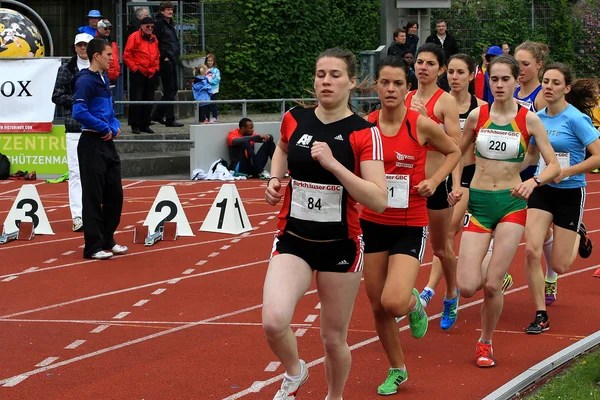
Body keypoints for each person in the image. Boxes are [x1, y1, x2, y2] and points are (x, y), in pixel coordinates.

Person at [262, 48, 387, 400]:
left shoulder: (365, 133)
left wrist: (335, 165)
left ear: (351, 82)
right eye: (320, 74)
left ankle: (335, 396)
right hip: (293, 240)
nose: (326, 82)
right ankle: (295, 371)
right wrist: (274, 179)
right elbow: (283, 150)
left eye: (334, 75)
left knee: (333, 339)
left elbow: (378, 198)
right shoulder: (294, 118)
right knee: (273, 321)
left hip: (341, 247)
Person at [362, 56, 460, 396]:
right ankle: (397, 369)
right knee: (377, 306)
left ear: (407, 88)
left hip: (408, 223)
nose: (390, 89)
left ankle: (414, 303)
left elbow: (453, 151)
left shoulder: (419, 124)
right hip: (372, 222)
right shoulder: (366, 125)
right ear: (377, 86)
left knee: (393, 301)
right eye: (385, 83)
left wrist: (434, 180)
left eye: (397, 83)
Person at [456, 55, 560, 368]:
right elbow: (457, 155)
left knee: (489, 287)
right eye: (494, 79)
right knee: (466, 287)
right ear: (488, 82)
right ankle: (494, 268)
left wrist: (534, 182)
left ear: (517, 82)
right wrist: (454, 185)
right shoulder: (478, 115)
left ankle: (485, 343)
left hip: (512, 204)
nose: (499, 85)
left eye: (505, 79)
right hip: (478, 203)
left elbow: (553, 164)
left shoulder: (529, 119)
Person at [523, 64, 600, 334]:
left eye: (556, 83)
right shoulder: (536, 118)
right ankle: (540, 314)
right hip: (542, 189)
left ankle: (579, 232)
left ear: (566, 89)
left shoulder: (577, 119)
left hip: (570, 191)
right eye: (545, 81)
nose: (548, 86)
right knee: (531, 249)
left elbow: (598, 156)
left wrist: (565, 170)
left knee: (560, 264)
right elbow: (532, 157)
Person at [419, 53, 496, 310]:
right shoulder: (437, 104)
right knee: (445, 236)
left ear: (472, 75)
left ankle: (432, 289)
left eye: (460, 72)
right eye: (450, 71)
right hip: (445, 173)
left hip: (473, 177)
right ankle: (438, 289)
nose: (454, 77)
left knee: (450, 231)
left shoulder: (483, 107)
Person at [405, 43, 462, 330]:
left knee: (441, 248)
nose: (422, 67)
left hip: (434, 184)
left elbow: (455, 145)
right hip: (406, 185)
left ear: (440, 70)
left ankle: (451, 293)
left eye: (429, 63)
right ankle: (405, 298)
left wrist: (425, 120)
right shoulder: (406, 97)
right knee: (402, 247)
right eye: (419, 62)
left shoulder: (445, 101)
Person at [72, 38, 127, 260]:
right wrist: (104, 126)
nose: (112, 59)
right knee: (93, 196)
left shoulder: (103, 78)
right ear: (97, 56)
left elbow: (108, 110)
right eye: (108, 55)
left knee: (115, 194)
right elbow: (79, 112)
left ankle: (107, 239)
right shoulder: (85, 80)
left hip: (107, 142)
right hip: (91, 143)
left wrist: (115, 126)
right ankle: (93, 246)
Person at [51, 33, 93, 232]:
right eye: (79, 45)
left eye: (86, 45)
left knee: (95, 173)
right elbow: (56, 95)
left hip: (96, 127)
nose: (82, 48)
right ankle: (77, 216)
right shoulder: (66, 69)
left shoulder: (98, 67)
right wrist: (77, 101)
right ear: (75, 47)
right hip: (74, 126)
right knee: (75, 172)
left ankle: (93, 213)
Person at [123, 16, 160, 135]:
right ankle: (135, 125)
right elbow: (127, 54)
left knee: (149, 99)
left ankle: (145, 124)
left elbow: (157, 54)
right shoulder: (134, 37)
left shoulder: (154, 38)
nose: (150, 29)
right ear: (142, 26)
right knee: (137, 99)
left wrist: (156, 67)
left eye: (152, 27)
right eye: (147, 26)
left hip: (151, 72)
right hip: (139, 71)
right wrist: (134, 68)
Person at [152, 1, 184, 127]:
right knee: (170, 89)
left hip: (172, 58)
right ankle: (170, 118)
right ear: (161, 11)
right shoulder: (160, 24)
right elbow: (156, 41)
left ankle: (158, 115)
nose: (170, 11)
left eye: (171, 9)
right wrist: (163, 56)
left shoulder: (169, 24)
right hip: (166, 60)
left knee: (172, 89)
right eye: (167, 9)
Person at [96, 19, 120, 84]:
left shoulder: (112, 42)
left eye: (110, 29)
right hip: (103, 74)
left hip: (114, 74)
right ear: (99, 29)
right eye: (105, 29)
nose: (108, 31)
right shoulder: (95, 42)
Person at [206, 53, 221, 123]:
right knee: (206, 104)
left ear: (214, 61)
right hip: (206, 90)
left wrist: (210, 81)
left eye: (211, 61)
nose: (209, 62)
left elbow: (217, 79)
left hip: (213, 90)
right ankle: (206, 118)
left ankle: (215, 117)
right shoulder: (204, 69)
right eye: (208, 61)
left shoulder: (216, 70)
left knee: (213, 104)